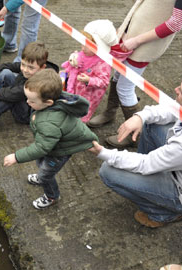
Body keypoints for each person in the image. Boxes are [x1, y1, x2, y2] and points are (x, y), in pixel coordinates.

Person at [87, 0, 182, 148]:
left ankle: (134, 135)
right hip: (132, 36)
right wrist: (125, 29)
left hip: (145, 43)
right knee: (118, 75)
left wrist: (137, 40)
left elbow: (176, 23)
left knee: (125, 87)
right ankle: (110, 113)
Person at [88, 80, 182, 228]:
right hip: (174, 161)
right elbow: (172, 109)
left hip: (178, 187)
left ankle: (164, 213)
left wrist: (104, 153)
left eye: (181, 91)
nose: (176, 89)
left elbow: (145, 163)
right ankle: (147, 183)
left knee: (108, 171)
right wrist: (140, 117)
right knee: (152, 123)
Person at [3, 69, 98, 209]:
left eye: (32, 101)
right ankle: (42, 175)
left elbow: (42, 148)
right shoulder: (56, 102)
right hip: (52, 145)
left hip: (59, 152)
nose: (27, 102)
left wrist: (17, 157)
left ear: (48, 102)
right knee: (41, 162)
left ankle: (52, 196)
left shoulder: (49, 122)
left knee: (47, 174)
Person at [0, 42, 58, 130]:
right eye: (23, 64)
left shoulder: (42, 82)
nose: (25, 70)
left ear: (42, 68)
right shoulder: (31, 66)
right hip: (20, 94)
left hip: (25, 114)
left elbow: (15, 93)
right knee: (5, 73)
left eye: (30, 68)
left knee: (9, 95)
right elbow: (5, 65)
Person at [61, 20, 119, 123]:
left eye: (87, 46)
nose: (82, 48)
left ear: (99, 47)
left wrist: (89, 80)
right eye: (82, 44)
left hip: (90, 95)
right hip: (76, 88)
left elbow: (104, 81)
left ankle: (80, 126)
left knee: (83, 112)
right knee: (73, 105)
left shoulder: (103, 63)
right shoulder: (83, 54)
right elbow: (76, 65)